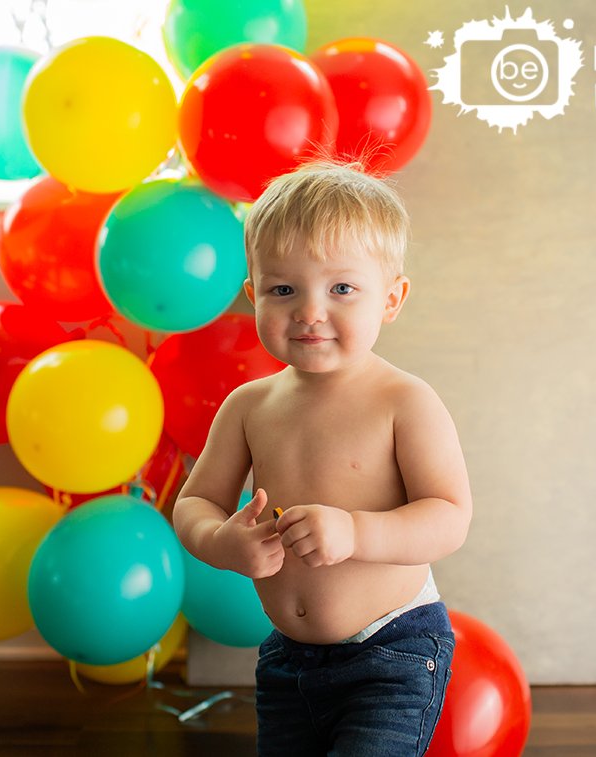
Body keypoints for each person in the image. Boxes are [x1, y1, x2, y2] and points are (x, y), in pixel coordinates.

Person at [172, 160, 473, 757]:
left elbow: (449, 516)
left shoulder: (403, 402)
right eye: (284, 289)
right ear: (254, 294)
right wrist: (220, 542)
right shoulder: (248, 405)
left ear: (391, 298)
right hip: (287, 656)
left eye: (341, 288)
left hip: (392, 650)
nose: (310, 311)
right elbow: (195, 502)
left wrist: (355, 530)